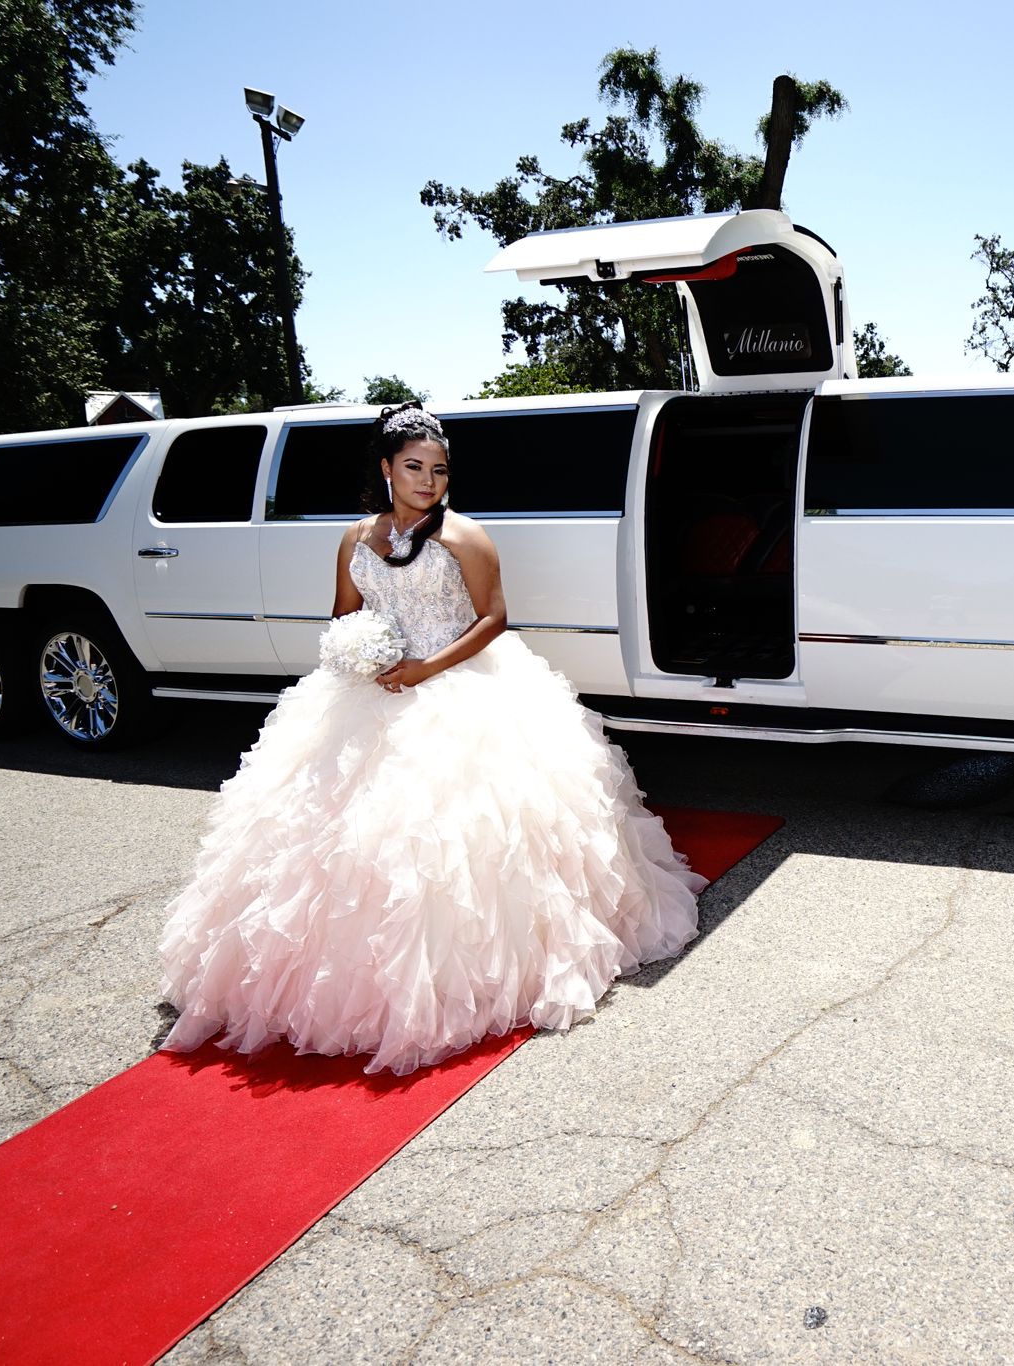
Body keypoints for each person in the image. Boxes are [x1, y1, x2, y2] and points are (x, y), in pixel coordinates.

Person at [158, 404, 705, 1075]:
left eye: (438, 469)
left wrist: (424, 667)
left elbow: (495, 618)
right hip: (369, 695)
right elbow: (344, 614)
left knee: (459, 842)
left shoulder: (466, 536)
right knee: (332, 835)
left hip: (461, 689)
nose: (428, 479)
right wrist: (360, 655)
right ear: (386, 469)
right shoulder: (356, 536)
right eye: (414, 467)